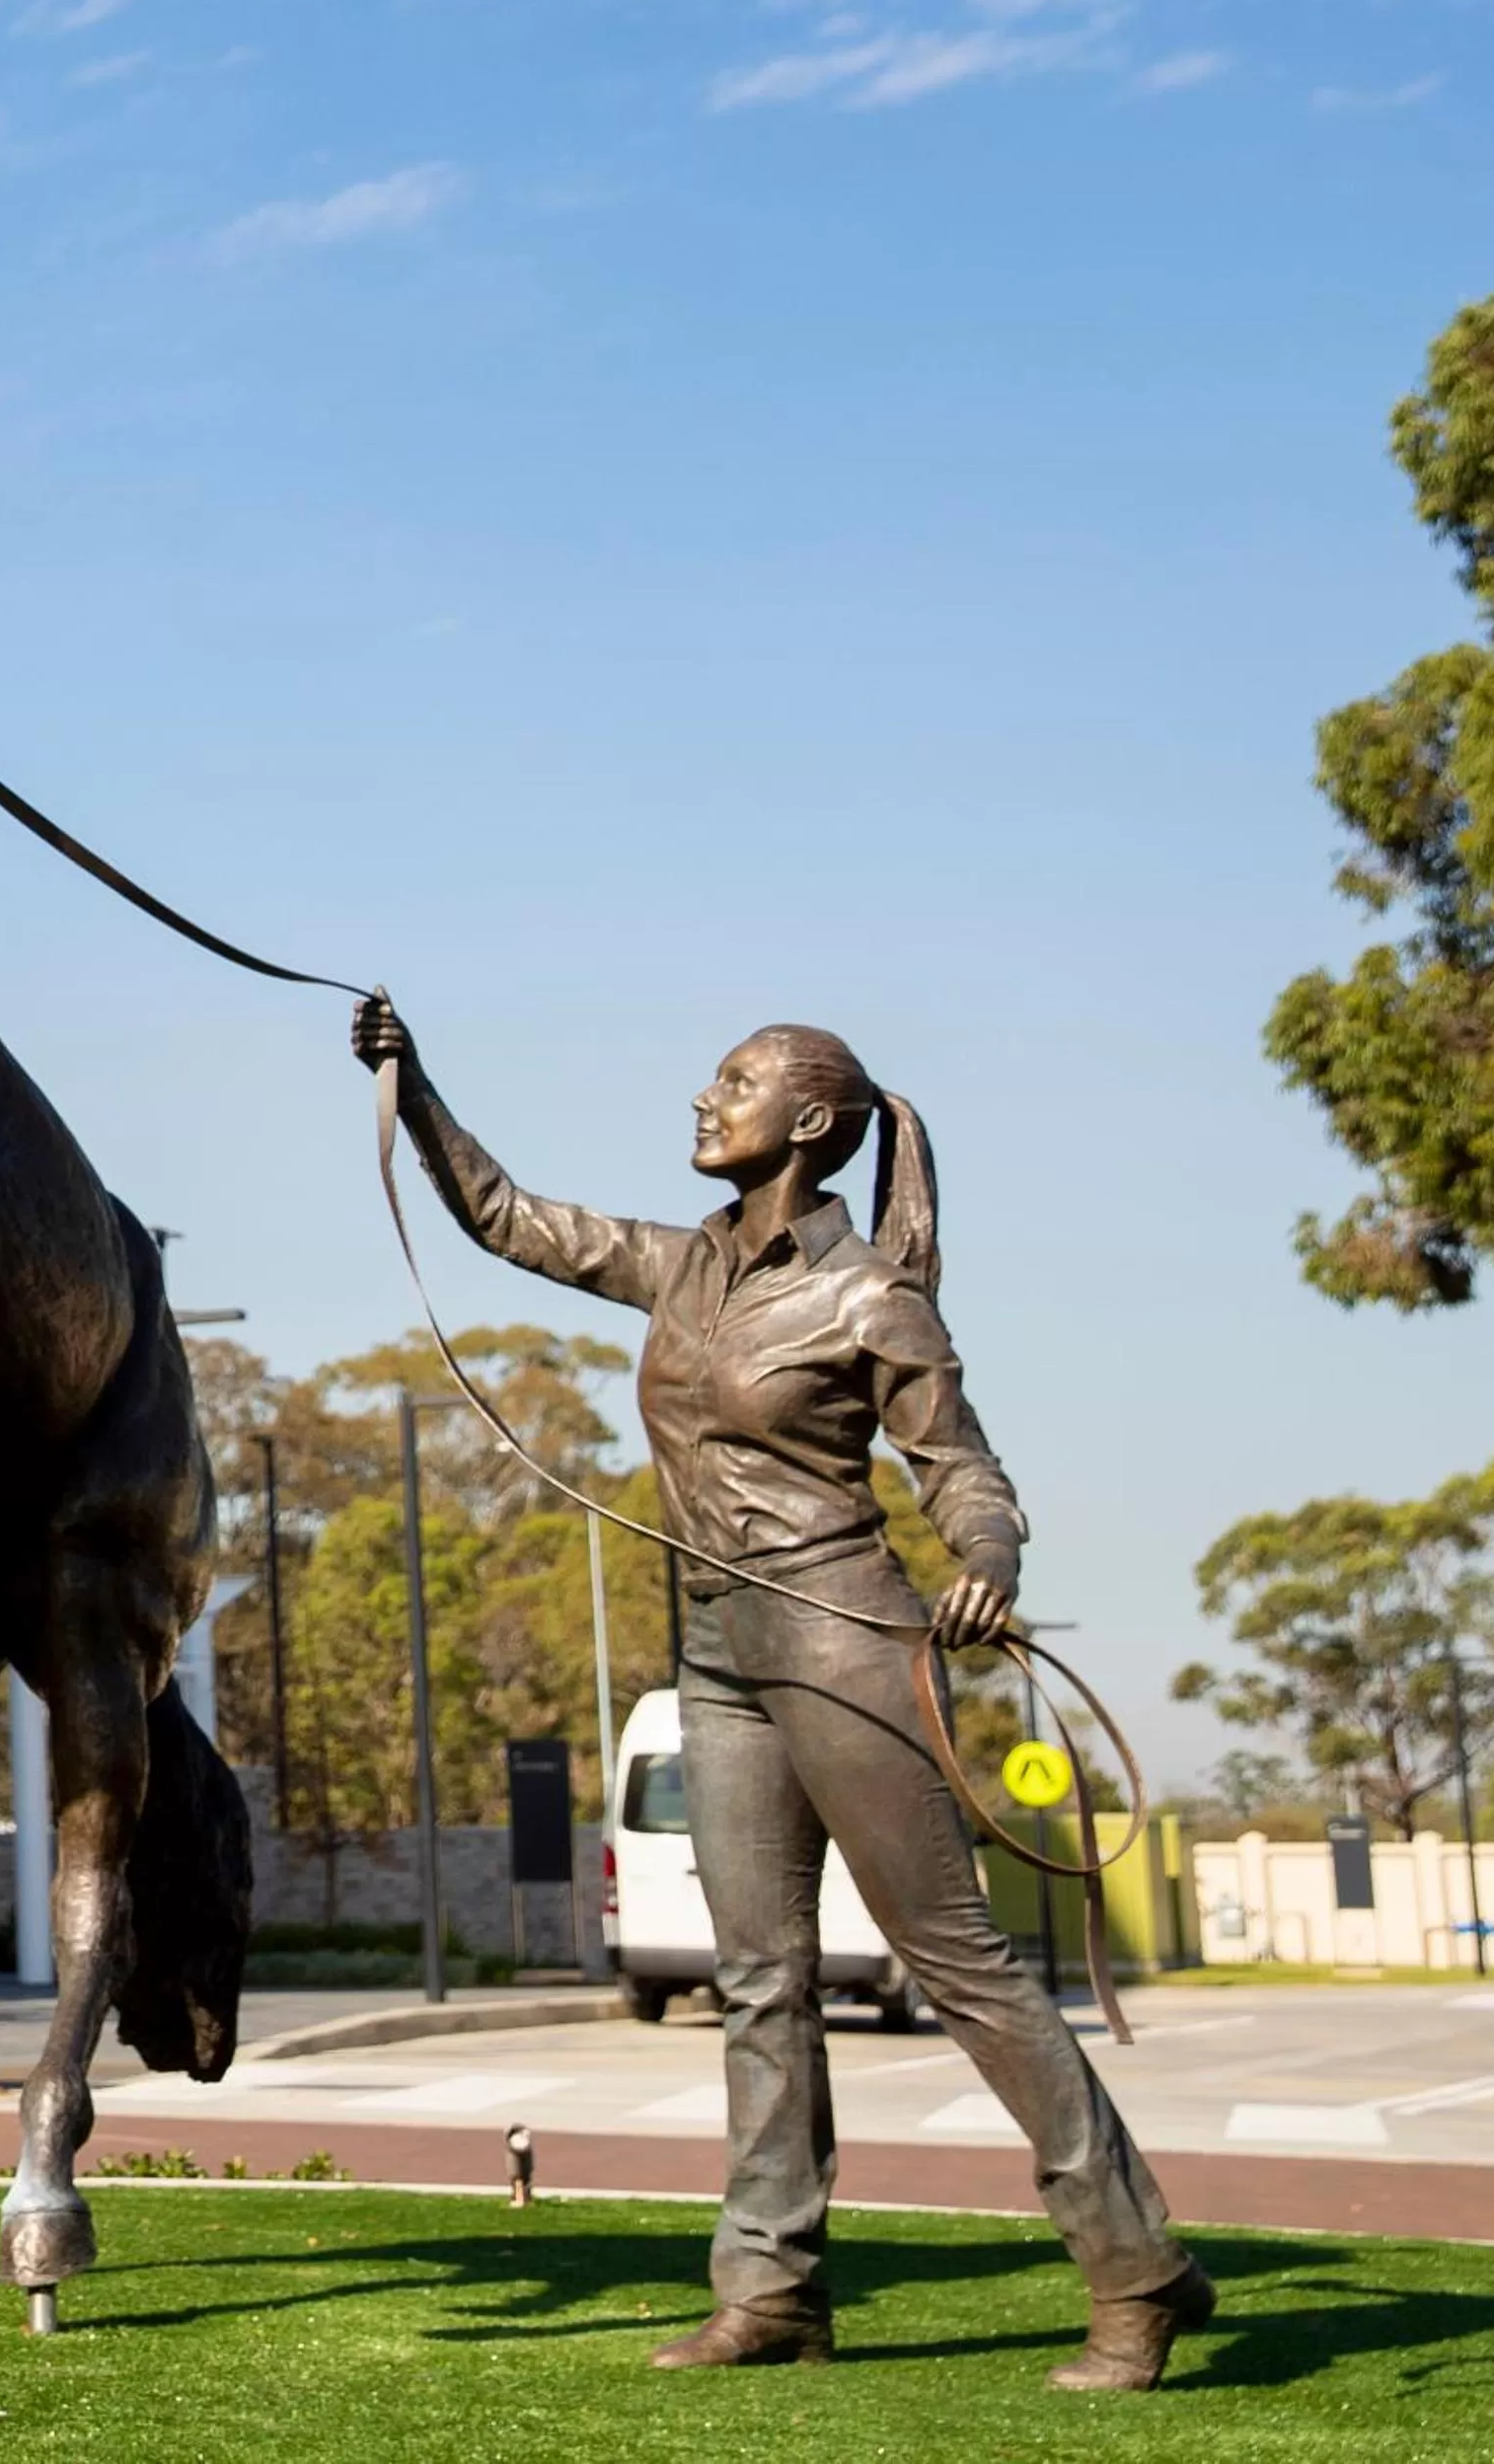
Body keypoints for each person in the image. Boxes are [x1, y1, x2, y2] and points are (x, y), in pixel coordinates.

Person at [350, 997, 1212, 2390]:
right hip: (716, 1652)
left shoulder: (871, 1296)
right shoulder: (681, 1267)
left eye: (735, 1080)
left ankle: (1139, 2272)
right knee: (759, 1984)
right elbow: (507, 1216)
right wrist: (416, 1082)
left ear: (810, 1124)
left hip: (844, 1639)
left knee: (960, 1967)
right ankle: (773, 2288)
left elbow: (966, 1473)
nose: (705, 1096)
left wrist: (984, 1565)